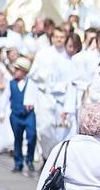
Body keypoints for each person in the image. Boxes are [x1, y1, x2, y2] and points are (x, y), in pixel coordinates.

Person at [24, 28, 74, 160]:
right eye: (56, 36)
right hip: (44, 97)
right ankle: (47, 155)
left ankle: (57, 159)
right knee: (44, 128)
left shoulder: (69, 56)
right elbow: (33, 78)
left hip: (63, 99)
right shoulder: (43, 54)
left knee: (62, 131)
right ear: (52, 38)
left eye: (62, 37)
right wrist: (29, 99)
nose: (59, 39)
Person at [9, 56, 37, 175]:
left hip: (28, 115)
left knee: (31, 136)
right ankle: (18, 162)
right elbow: (6, 98)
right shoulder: (11, 83)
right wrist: (1, 113)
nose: (15, 72)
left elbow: (36, 96)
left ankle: (29, 160)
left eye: (18, 69)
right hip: (16, 114)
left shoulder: (31, 83)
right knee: (17, 138)